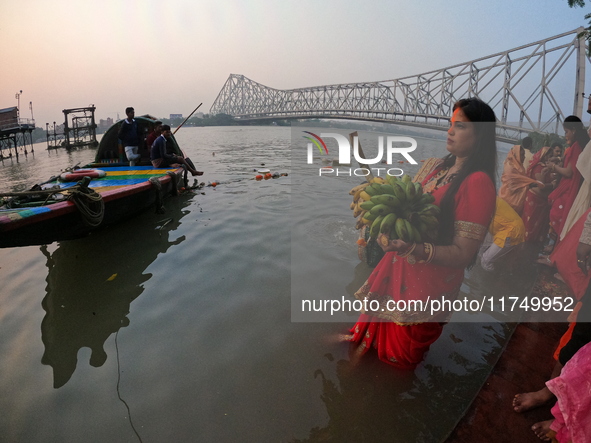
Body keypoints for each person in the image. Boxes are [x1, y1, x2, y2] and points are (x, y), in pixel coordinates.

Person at [346, 98, 497, 369]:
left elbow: (463, 254)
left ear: (480, 137)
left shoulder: (478, 183)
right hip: (395, 269)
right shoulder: (435, 167)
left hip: (425, 290)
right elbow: (404, 208)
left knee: (397, 363)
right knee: (363, 343)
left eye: (460, 126)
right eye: (451, 124)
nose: (450, 131)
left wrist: (411, 249)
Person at [547, 116, 589, 243]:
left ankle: (555, 248)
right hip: (574, 187)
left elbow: (569, 172)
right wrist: (560, 160)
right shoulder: (581, 145)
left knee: (558, 215)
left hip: (570, 188)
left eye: (566, 132)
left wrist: (553, 166)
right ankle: (554, 248)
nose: (565, 136)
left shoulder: (576, 147)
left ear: (574, 130)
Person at [480, 197, 525, 272]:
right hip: (498, 227)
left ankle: (491, 278)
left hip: (511, 231)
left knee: (486, 260)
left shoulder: (485, 201)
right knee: (481, 250)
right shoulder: (489, 197)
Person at [522, 146, 555, 243]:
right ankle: (526, 244)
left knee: (537, 225)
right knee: (530, 224)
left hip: (542, 201)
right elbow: (541, 185)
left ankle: (531, 245)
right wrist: (553, 184)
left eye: (551, 156)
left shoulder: (547, 168)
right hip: (535, 200)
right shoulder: (539, 167)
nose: (550, 158)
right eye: (549, 156)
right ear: (544, 156)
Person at [497, 140, 538, 215]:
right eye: (522, 155)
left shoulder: (519, 167)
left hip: (516, 203)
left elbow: (521, 181)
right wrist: (528, 185)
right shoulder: (510, 167)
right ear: (515, 155)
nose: (524, 157)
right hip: (508, 200)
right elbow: (512, 186)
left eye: (524, 155)